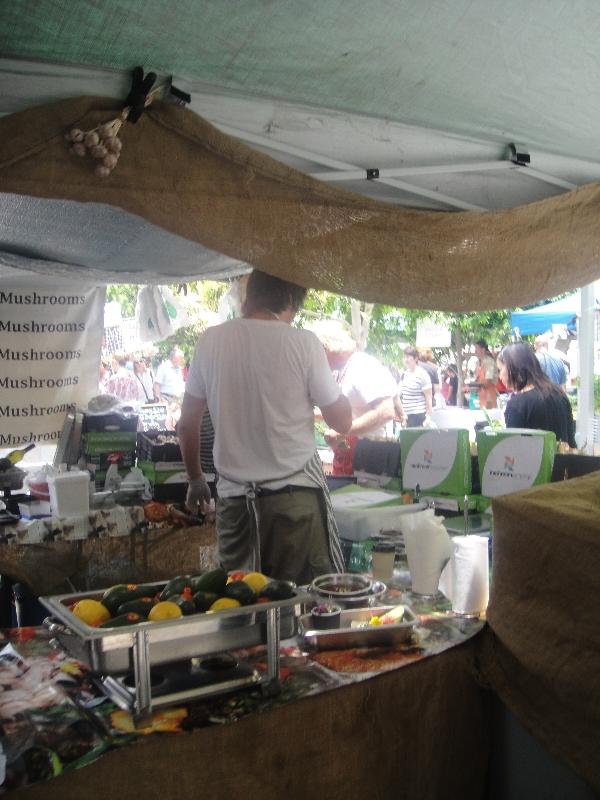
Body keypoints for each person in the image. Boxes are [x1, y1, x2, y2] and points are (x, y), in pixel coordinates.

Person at [179, 270, 352, 584]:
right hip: (294, 502)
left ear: (250, 296)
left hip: (234, 506)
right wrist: (342, 398)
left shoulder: (211, 340)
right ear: (288, 300)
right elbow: (341, 421)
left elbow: (186, 424)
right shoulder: (303, 342)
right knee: (302, 605)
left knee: (240, 608)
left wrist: (195, 479)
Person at [309, 320, 397, 476]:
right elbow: (352, 410)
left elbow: (386, 411)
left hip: (370, 458)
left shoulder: (362, 365)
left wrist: (343, 431)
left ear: (326, 347)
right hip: (351, 453)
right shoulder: (341, 370)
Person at [496, 342, 575, 447]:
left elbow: (513, 452)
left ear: (512, 368)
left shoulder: (517, 405)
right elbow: (571, 442)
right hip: (562, 462)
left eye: (500, 369)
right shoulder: (560, 395)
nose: (500, 376)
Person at [398, 346, 432, 427]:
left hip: (419, 416)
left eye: (408, 357)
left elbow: (429, 397)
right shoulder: (404, 374)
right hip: (406, 417)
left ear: (416, 358)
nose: (406, 360)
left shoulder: (422, 374)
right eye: (404, 357)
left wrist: (428, 417)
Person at [473, 339, 498, 409]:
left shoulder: (489, 362)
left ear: (483, 349)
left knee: (489, 417)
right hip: (480, 396)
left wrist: (473, 386)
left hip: (489, 396)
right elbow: (477, 379)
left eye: (477, 349)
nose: (475, 351)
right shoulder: (478, 363)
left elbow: (488, 381)